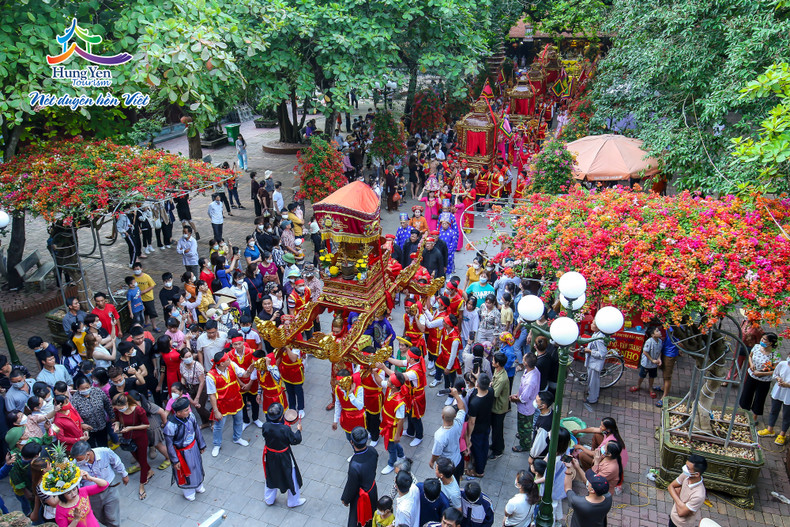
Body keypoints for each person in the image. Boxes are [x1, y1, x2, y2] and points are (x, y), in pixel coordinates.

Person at [70, 441, 129, 527]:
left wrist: (124, 474)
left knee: (112, 516)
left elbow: (116, 462)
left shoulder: (104, 452)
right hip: (92, 496)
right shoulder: (75, 464)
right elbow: (77, 483)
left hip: (109, 490)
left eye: (79, 459)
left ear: (88, 454)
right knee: (100, 516)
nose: (78, 461)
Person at [206, 350, 252, 457]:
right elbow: (212, 395)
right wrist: (216, 411)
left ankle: (237, 438)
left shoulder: (232, 365)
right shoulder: (210, 376)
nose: (229, 360)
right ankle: (217, 444)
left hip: (236, 400)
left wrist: (249, 371)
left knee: (238, 420)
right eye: (227, 359)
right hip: (222, 405)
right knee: (218, 426)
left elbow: (243, 374)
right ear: (221, 363)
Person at [261, 402, 306, 508]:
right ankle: (293, 501)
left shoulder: (265, 426)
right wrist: (298, 431)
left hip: (271, 456)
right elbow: (295, 440)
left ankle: (269, 499)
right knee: (291, 476)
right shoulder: (285, 429)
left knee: (271, 476)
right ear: (281, 416)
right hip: (284, 457)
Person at [163, 397, 207, 501]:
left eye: (188, 408)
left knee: (197, 466)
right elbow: (169, 445)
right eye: (186, 410)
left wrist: (201, 445)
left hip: (194, 447)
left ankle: (198, 485)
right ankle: (189, 491)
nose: (189, 411)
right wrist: (175, 460)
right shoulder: (170, 426)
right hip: (182, 453)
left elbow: (197, 430)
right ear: (178, 413)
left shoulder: (191, 416)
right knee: (187, 472)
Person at [111, 392, 151, 500]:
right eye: (118, 408)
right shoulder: (117, 410)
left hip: (140, 437)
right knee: (137, 457)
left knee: (142, 461)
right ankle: (149, 471)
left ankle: (142, 484)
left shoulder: (138, 410)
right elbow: (117, 420)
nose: (120, 409)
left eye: (121, 407)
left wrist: (131, 428)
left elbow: (146, 424)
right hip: (128, 437)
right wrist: (117, 425)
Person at [342, 426, 379, 527]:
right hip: (372, 490)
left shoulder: (354, 464)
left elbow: (352, 485)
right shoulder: (372, 451)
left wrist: (346, 499)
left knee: (357, 521)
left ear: (352, 442)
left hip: (361, 497)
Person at [740, 332, 781, 422]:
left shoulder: (775, 355)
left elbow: (775, 371)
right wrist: (751, 365)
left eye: (764, 339)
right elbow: (750, 356)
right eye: (762, 339)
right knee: (746, 394)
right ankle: (743, 413)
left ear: (770, 343)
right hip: (752, 375)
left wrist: (761, 374)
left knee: (760, 398)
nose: (762, 341)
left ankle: (754, 418)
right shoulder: (757, 347)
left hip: (764, 380)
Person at [430, 388, 466, 482]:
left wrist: (432, 461)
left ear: (442, 416)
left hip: (446, 466)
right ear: (455, 416)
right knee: (456, 481)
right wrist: (456, 395)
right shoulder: (458, 423)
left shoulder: (440, 435)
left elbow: (436, 453)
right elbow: (462, 408)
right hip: (457, 459)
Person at [564, 459, 613, 527]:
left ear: (592, 490)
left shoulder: (579, 502)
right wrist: (577, 467)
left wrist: (568, 469)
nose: (588, 481)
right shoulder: (608, 497)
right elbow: (588, 484)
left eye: (590, 481)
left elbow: (568, 488)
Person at [757, 347, 790, 445]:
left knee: (786, 415)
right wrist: (779, 379)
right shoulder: (782, 364)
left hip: (788, 395)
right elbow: (775, 374)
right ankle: (770, 429)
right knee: (774, 410)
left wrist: (787, 385)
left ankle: (782, 434)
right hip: (779, 391)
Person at [378, 372, 408, 475]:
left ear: (394, 386)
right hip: (387, 423)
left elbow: (401, 420)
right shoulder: (391, 389)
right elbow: (380, 382)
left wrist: (396, 435)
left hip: (393, 428)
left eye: (389, 381)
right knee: (394, 444)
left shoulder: (400, 402)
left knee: (391, 447)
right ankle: (401, 454)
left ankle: (392, 463)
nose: (387, 382)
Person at [70, 375, 113, 448]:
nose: (85, 390)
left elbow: (107, 404)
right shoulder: (75, 400)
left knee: (104, 445)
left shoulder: (97, 391)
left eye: (87, 387)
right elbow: (73, 415)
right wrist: (82, 424)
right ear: (77, 388)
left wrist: (112, 416)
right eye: (82, 388)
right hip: (88, 429)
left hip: (102, 424)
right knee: (92, 448)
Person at [667, 455, 707, 527]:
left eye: (688, 468)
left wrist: (677, 493)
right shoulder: (686, 475)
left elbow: (681, 513)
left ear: (697, 474)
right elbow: (670, 487)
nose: (685, 468)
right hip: (673, 517)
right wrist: (681, 503)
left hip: (682, 524)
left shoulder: (698, 495)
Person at [512, 353, 540, 453]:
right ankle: (522, 434)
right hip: (526, 404)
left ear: (525, 363)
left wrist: (514, 399)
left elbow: (524, 398)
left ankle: (525, 445)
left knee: (525, 426)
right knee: (523, 425)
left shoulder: (531, 381)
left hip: (526, 408)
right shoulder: (532, 370)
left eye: (523, 359)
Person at [629, 325, 663, 398]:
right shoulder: (649, 342)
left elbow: (660, 351)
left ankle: (650, 388)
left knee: (652, 376)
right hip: (646, 364)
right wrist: (652, 360)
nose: (659, 332)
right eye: (657, 331)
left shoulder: (660, 341)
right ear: (652, 335)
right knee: (642, 375)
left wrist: (659, 359)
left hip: (654, 365)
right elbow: (645, 352)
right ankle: (638, 385)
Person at [489, 352, 510, 460]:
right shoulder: (497, 371)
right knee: (495, 428)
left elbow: (495, 393)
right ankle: (495, 445)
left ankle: (498, 450)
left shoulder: (502, 378)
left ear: (498, 363)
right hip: (496, 407)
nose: (492, 362)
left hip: (499, 408)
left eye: (493, 361)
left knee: (497, 430)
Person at [583, 321, 608, 405]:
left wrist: (589, 351)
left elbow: (602, 354)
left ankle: (592, 399)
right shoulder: (595, 334)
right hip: (592, 362)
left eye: (593, 324)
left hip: (595, 364)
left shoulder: (599, 339)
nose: (591, 324)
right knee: (592, 380)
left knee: (593, 382)